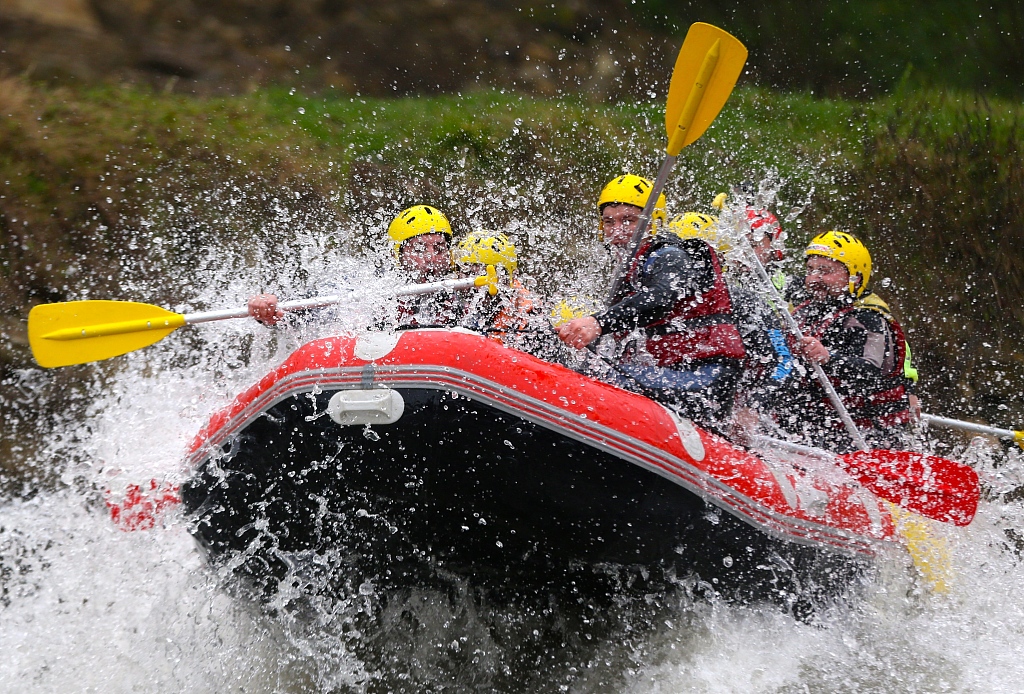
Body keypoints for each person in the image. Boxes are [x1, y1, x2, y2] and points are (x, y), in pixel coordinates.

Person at [555, 174, 746, 428]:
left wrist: (597, 323)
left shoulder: (670, 256)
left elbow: (661, 298)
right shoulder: (630, 269)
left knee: (597, 380)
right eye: (609, 222)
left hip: (705, 376)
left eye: (629, 220)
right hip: (670, 372)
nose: (617, 230)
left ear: (653, 223)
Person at [783, 231, 913, 450]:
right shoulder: (805, 310)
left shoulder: (869, 318)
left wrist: (829, 358)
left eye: (825, 271)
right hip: (812, 425)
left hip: (865, 434)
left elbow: (871, 371)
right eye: (810, 270)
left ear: (855, 278)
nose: (813, 279)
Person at [452, 230, 539, 345]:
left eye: (489, 275)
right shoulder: (449, 306)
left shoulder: (530, 318)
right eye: (469, 274)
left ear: (511, 277)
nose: (478, 288)